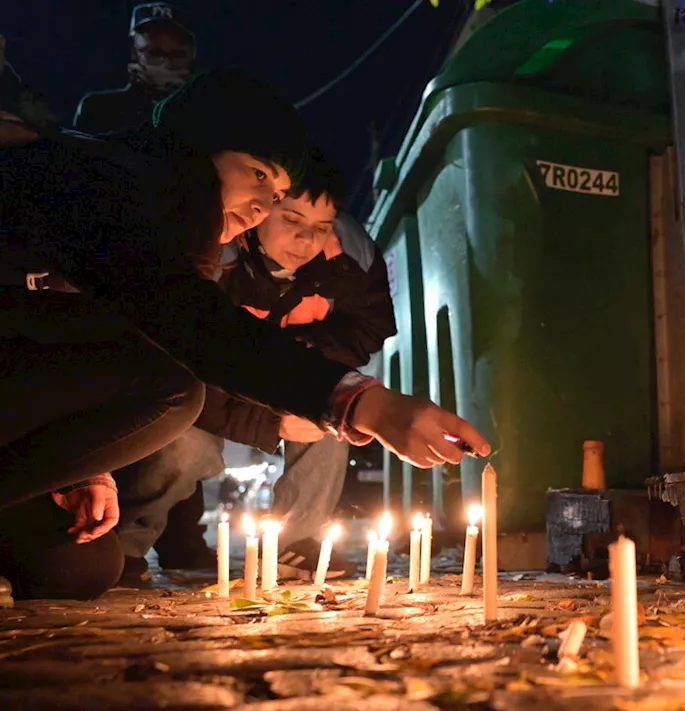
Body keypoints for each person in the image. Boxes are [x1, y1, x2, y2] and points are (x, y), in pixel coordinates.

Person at [0, 68, 490, 600]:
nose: (261, 206)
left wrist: (82, 472)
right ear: (196, 149)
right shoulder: (101, 183)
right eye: (257, 174)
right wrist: (360, 403)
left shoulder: (164, 228)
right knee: (173, 390)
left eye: (276, 191)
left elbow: (104, 347)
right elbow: (197, 331)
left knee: (82, 569)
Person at [116, 147, 396, 584]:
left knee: (334, 409)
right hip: (201, 386)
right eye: (291, 221)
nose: (307, 241)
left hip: (276, 378)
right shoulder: (210, 254)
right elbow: (180, 362)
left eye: (321, 227)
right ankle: (124, 546)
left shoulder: (350, 261)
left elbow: (365, 329)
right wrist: (267, 423)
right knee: (186, 445)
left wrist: (306, 362)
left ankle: (294, 542)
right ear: (260, 210)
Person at [74, 3, 196, 134]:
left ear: (193, 54)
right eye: (155, 53)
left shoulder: (208, 111)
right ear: (134, 51)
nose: (166, 63)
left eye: (176, 54)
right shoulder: (99, 109)